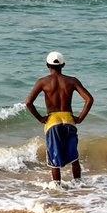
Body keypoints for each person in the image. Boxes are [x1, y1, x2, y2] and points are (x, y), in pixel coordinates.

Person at [25, 51, 93, 182]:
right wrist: (80, 118)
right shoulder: (72, 81)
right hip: (69, 120)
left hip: (52, 122)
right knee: (74, 158)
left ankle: (57, 190)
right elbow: (89, 99)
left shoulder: (42, 82)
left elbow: (28, 103)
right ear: (63, 65)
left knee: (54, 160)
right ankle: (78, 186)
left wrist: (40, 118)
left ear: (47, 65)